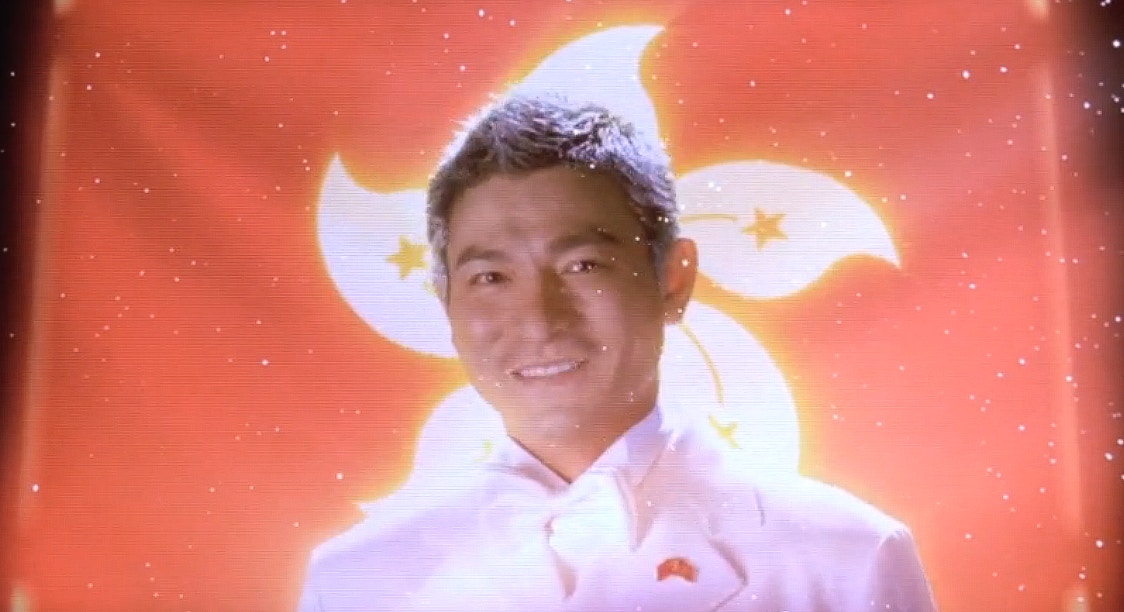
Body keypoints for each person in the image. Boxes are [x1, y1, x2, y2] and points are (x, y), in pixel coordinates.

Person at [298, 94, 937, 611]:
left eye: (583, 265)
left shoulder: (845, 558)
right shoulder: (357, 581)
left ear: (673, 280)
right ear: (446, 304)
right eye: (490, 277)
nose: (538, 318)